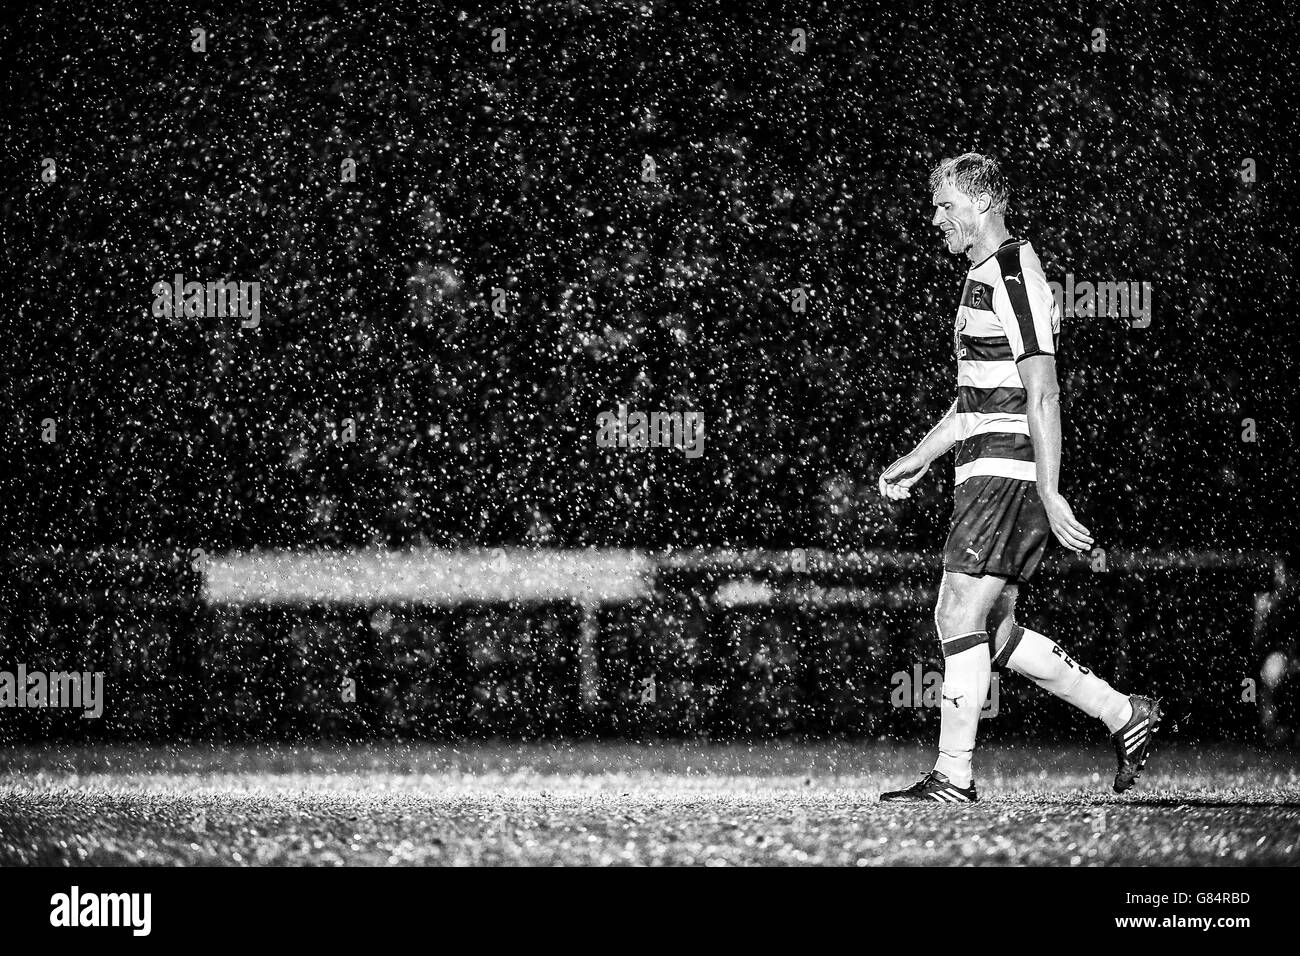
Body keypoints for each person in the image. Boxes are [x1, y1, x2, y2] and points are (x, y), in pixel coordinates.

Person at [878, 153, 1160, 802]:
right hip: (990, 469)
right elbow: (980, 397)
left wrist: (1049, 487)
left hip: (1006, 475)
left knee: (957, 612)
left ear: (982, 205)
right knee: (995, 630)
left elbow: (1044, 390)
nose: (936, 218)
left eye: (945, 207)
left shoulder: (1011, 272)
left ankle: (953, 775)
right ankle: (1124, 714)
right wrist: (923, 454)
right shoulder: (984, 273)